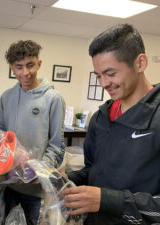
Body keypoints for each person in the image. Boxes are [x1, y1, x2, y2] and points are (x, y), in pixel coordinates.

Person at [62, 24, 160, 224]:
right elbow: (94, 169)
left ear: (140, 63)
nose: (103, 83)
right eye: (98, 76)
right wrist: (68, 179)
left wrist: (108, 200)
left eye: (110, 73)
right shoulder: (101, 118)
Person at [0, 40, 66, 225]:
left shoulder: (53, 99)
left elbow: (57, 146)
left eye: (30, 65)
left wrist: (39, 172)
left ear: (39, 64)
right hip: (9, 184)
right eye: (19, 67)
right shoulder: (6, 97)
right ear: (12, 68)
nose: (25, 73)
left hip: (36, 190)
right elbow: (3, 138)